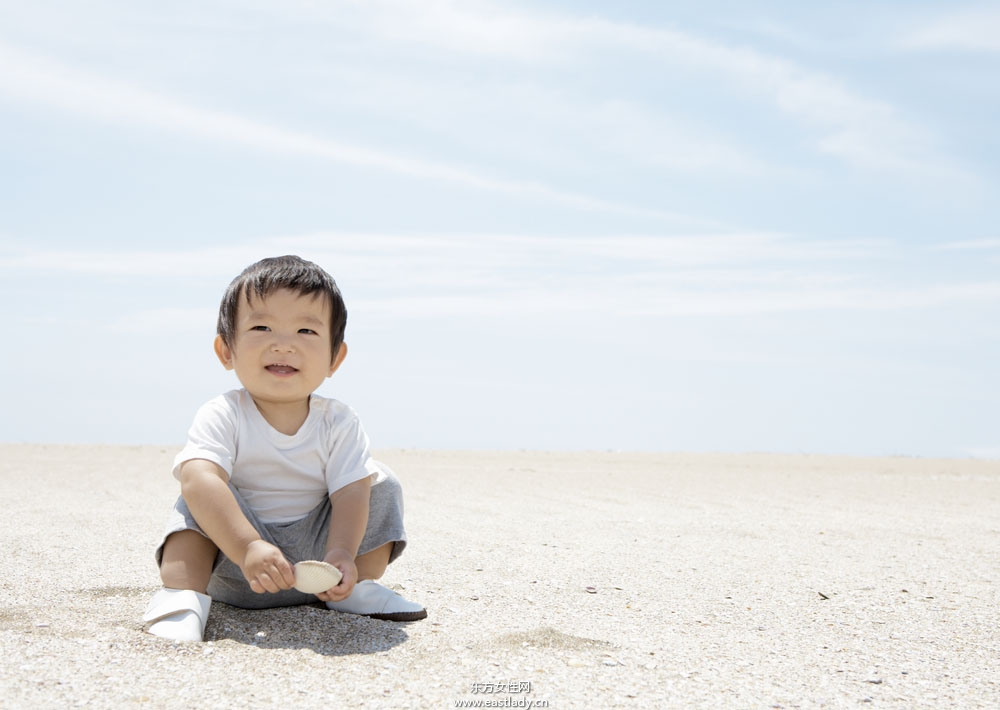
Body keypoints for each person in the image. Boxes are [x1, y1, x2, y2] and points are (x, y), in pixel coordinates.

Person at [143, 255, 426, 642]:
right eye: (262, 326)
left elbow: (349, 493)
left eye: (306, 332)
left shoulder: (338, 421)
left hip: (319, 568)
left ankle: (354, 589)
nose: (283, 344)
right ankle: (182, 597)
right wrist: (247, 547)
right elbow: (198, 479)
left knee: (378, 482)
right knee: (199, 488)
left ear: (335, 357)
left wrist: (342, 552)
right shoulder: (224, 413)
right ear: (226, 350)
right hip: (235, 561)